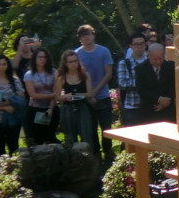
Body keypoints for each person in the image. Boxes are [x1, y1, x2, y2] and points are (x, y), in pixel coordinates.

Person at [74, 24, 115, 160]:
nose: (86, 37)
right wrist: (89, 95)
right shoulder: (77, 54)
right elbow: (76, 76)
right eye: (83, 35)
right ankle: (95, 154)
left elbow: (108, 74)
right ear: (80, 38)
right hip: (85, 97)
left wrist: (95, 92)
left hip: (103, 95)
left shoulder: (104, 51)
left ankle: (108, 152)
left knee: (106, 127)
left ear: (93, 35)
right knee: (90, 128)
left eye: (88, 34)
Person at [54, 50, 93, 146]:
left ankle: (89, 158)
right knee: (70, 137)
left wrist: (76, 95)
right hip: (68, 108)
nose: (74, 64)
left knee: (86, 135)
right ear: (65, 63)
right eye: (70, 62)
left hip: (83, 107)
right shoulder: (61, 77)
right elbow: (57, 97)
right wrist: (65, 97)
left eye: (75, 61)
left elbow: (90, 94)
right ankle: (72, 159)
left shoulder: (85, 75)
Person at [0, 54, 25, 157]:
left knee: (13, 147)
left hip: (13, 119)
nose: (1, 67)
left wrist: (8, 102)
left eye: (4, 64)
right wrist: (5, 107)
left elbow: (21, 98)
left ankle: (16, 169)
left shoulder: (15, 80)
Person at [23, 48, 58, 145]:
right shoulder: (29, 74)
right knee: (38, 140)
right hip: (35, 109)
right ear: (34, 59)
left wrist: (50, 108)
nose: (42, 59)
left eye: (45, 57)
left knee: (51, 138)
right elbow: (33, 95)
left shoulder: (54, 72)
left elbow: (56, 90)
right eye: (40, 57)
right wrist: (52, 95)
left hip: (51, 108)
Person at [136, 43, 176, 123]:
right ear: (148, 56)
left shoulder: (171, 66)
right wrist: (159, 99)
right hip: (149, 109)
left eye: (160, 59)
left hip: (168, 109)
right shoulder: (141, 68)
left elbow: (174, 85)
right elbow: (141, 90)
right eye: (154, 59)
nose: (157, 62)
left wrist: (166, 101)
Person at [116, 32, 149, 127]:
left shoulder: (151, 61)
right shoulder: (124, 63)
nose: (139, 47)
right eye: (136, 44)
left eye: (142, 43)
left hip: (149, 106)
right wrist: (142, 82)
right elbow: (122, 83)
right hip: (131, 107)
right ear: (130, 46)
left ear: (146, 44)